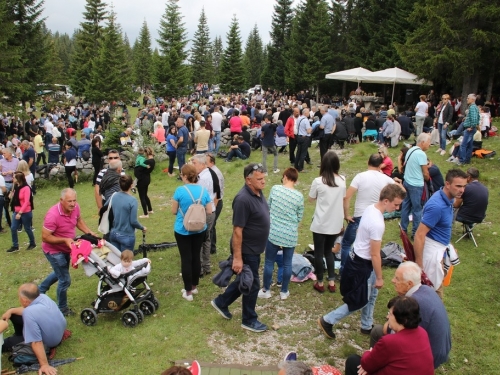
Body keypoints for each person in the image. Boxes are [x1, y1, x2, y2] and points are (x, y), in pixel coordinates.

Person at [318, 184, 406, 339]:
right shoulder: (378, 223)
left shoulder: (370, 208)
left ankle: (366, 324)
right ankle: (327, 320)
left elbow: (360, 232)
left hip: (357, 257)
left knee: (371, 295)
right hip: (362, 264)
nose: (397, 208)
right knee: (358, 301)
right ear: (386, 200)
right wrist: (379, 277)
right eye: (396, 204)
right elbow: (374, 254)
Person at [211, 163, 270, 332]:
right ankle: (249, 320)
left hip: (255, 248)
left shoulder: (257, 192)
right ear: (248, 180)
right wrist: (238, 258)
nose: (263, 181)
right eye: (259, 179)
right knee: (252, 285)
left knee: (244, 280)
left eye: (263, 178)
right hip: (246, 250)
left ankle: (221, 302)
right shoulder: (243, 199)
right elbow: (237, 230)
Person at [370, 262, 451, 369]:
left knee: (378, 331)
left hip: (429, 357)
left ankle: (375, 365)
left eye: (397, 279)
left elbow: (391, 331)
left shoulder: (414, 303)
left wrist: (389, 323)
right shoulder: (426, 289)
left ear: (409, 284)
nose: (393, 281)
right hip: (441, 349)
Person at [345, 296, 434, 375]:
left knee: (353, 361)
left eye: (390, 314)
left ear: (402, 319)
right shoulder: (423, 333)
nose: (387, 317)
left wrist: (369, 352)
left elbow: (366, 364)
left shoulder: (390, 341)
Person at [40, 188, 95, 315]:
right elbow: (45, 237)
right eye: (69, 201)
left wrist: (89, 232)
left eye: (74, 200)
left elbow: (79, 220)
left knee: (60, 272)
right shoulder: (52, 215)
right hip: (54, 251)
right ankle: (62, 308)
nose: (72, 204)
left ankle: (39, 290)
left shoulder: (75, 208)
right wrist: (65, 240)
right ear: (61, 201)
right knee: (65, 280)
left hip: (67, 248)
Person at [414, 169, 468, 293]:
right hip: (431, 255)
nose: (462, 190)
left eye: (464, 186)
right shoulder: (437, 206)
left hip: (440, 250)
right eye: (458, 186)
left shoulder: (448, 198)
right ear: (447, 184)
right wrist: (419, 264)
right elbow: (419, 235)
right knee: (431, 293)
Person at [340, 154, 396, 273]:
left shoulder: (360, 177)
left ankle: (345, 270)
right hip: (376, 217)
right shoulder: (386, 179)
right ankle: (367, 270)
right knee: (371, 247)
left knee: (346, 244)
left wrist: (346, 214)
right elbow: (400, 190)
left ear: (367, 162)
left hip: (360, 216)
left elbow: (347, 197)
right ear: (381, 165)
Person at [1, 283, 67, 375]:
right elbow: (25, 311)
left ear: (24, 300)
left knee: (6, 343)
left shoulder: (29, 313)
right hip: (57, 332)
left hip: (49, 341)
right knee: (14, 313)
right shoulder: (43, 297)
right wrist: (10, 311)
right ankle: (19, 335)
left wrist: (44, 365)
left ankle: (19, 340)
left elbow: (36, 342)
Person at [259, 168, 304, 300]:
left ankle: (266, 290)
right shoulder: (299, 196)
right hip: (290, 234)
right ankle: (284, 291)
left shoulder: (275, 189)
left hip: (274, 231)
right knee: (287, 263)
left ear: (285, 177)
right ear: (295, 180)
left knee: (269, 262)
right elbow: (299, 216)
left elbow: (268, 207)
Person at [172, 164, 212, 301]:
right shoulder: (203, 191)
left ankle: (187, 291)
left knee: (186, 259)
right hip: (200, 228)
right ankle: (194, 286)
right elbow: (209, 211)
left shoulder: (179, 191)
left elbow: (173, 211)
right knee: (196, 257)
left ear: (184, 176)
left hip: (182, 229)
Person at [309, 151, 345, 293]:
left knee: (318, 253)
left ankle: (319, 282)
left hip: (320, 222)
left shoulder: (318, 181)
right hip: (335, 223)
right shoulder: (342, 180)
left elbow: (311, 198)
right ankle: (331, 281)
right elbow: (342, 198)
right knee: (328, 252)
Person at [191, 154, 219, 277]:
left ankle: (200, 268)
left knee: (199, 240)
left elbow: (198, 198)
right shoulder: (209, 173)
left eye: (194, 163)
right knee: (206, 240)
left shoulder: (202, 178)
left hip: (203, 212)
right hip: (210, 210)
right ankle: (206, 266)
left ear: (202, 164)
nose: (192, 165)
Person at [400, 133, 431, 239]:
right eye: (428, 142)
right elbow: (425, 173)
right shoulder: (421, 154)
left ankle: (403, 230)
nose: (429, 145)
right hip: (416, 185)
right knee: (417, 209)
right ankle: (415, 233)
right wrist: (427, 179)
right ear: (422, 142)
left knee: (406, 206)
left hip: (407, 181)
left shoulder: (410, 150)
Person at [107, 175, 147, 252]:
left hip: (114, 233)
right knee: (126, 261)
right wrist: (142, 227)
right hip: (126, 236)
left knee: (116, 261)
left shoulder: (114, 196)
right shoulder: (132, 200)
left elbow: (105, 208)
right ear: (131, 185)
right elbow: (133, 221)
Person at [6, 172, 36, 253]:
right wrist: (11, 192)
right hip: (16, 211)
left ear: (18, 179)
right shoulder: (16, 186)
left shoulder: (26, 188)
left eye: (14, 178)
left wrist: (20, 213)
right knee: (13, 228)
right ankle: (15, 246)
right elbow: (12, 197)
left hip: (25, 212)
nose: (13, 179)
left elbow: (26, 202)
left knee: (27, 228)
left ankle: (32, 243)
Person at [207, 153, 224, 255]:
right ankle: (212, 248)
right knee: (212, 226)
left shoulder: (215, 173)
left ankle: (211, 248)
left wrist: (213, 207)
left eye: (206, 162)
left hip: (216, 202)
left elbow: (217, 194)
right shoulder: (211, 171)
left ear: (212, 162)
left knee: (211, 225)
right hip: (215, 202)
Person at [458, 94, 480, 166]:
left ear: (472, 99)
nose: (467, 99)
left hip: (470, 129)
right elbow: (478, 117)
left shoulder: (472, 107)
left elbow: (474, 119)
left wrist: (471, 127)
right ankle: (467, 160)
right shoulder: (475, 107)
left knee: (463, 145)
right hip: (472, 128)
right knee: (470, 145)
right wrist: (466, 118)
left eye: (468, 98)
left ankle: (462, 161)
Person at [134, 147, 155, 218]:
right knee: (145, 195)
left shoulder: (147, 162)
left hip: (142, 180)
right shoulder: (152, 161)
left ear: (146, 153)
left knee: (142, 196)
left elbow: (138, 170)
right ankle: (150, 209)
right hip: (147, 179)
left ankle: (145, 214)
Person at [294, 108, 311, 173]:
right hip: (304, 137)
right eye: (308, 112)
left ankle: (296, 166)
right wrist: (311, 129)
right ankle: (301, 168)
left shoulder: (299, 118)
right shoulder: (306, 120)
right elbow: (308, 131)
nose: (309, 113)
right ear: (305, 113)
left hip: (299, 136)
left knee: (298, 152)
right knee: (303, 153)